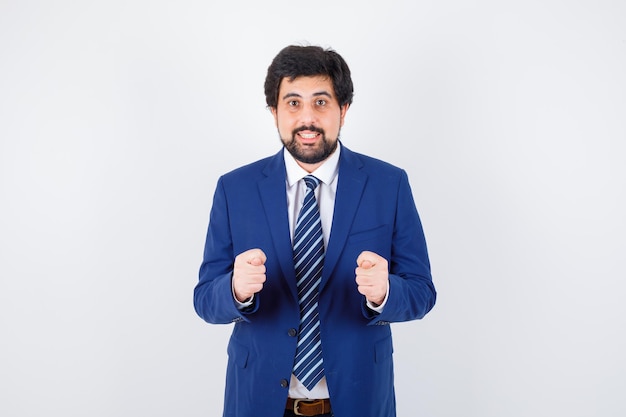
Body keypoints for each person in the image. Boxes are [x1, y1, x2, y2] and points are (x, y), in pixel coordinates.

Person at [194, 44, 436, 417]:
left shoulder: (389, 185)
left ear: (343, 110)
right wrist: (234, 289)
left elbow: (422, 292)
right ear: (274, 112)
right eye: (293, 103)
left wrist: (386, 292)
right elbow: (204, 301)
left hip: (359, 399)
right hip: (257, 401)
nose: (307, 118)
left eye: (321, 102)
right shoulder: (234, 189)